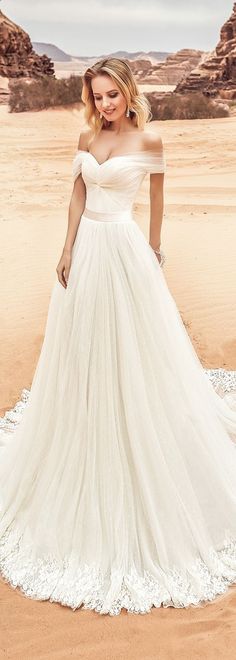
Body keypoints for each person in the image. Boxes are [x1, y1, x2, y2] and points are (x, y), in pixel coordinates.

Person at [0, 57, 236, 617]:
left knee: (135, 357)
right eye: (96, 96)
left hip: (126, 254)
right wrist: (66, 248)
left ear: (128, 93)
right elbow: (77, 193)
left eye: (111, 96)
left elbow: (156, 204)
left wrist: (154, 255)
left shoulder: (150, 141)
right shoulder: (85, 135)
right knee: (81, 356)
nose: (103, 106)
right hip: (87, 256)